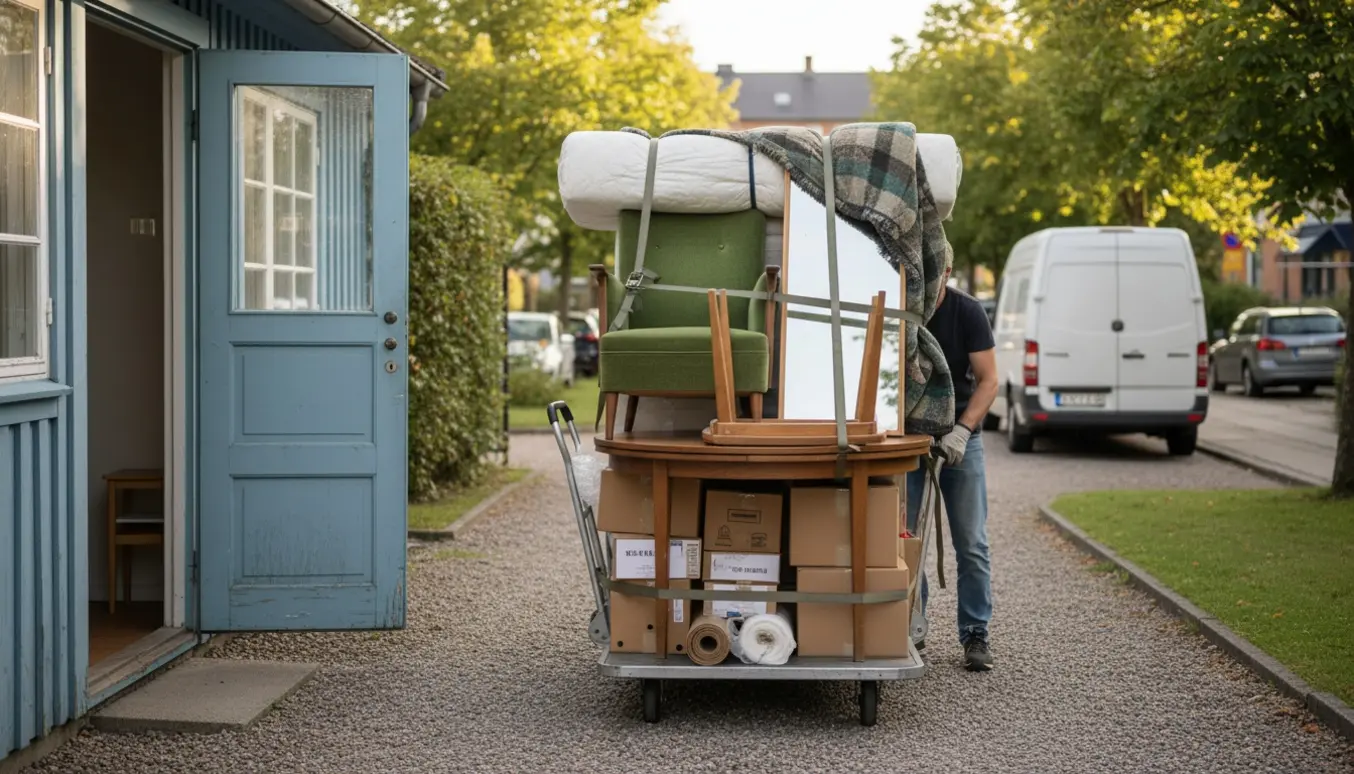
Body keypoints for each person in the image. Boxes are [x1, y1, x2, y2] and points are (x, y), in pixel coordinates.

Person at [905, 258, 999, 672]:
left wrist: (962, 429)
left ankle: (975, 633)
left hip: (961, 439)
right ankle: (912, 626)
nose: (928, 279)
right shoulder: (904, 310)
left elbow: (989, 380)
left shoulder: (968, 312)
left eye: (936, 272)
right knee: (907, 543)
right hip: (909, 440)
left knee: (972, 545)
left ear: (948, 273)